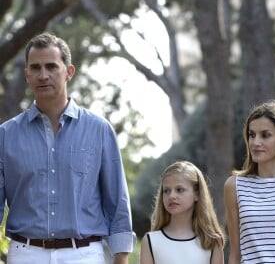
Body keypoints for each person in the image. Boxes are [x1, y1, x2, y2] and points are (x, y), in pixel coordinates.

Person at [0, 32, 135, 264]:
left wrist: (120, 259)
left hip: (84, 254)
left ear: (69, 72)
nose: (43, 75)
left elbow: (117, 204)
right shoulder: (5, 135)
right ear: (27, 75)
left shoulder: (99, 130)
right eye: (36, 68)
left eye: (51, 66)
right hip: (25, 255)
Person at [224, 99, 275, 264]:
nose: (255, 143)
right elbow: (235, 254)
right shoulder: (234, 186)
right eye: (252, 135)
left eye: (265, 135)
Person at [139, 161, 225, 264]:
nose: (171, 196)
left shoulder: (212, 241)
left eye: (179, 190)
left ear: (197, 194)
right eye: (166, 191)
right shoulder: (150, 241)